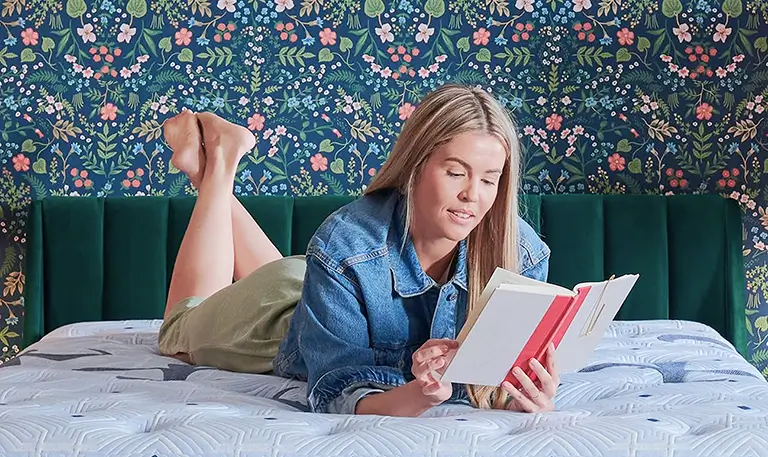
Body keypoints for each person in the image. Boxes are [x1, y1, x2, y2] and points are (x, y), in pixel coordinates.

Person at [158, 83, 558, 417]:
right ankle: (218, 166)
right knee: (177, 326)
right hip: (274, 317)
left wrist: (528, 391)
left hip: (323, 281)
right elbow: (337, 388)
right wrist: (420, 395)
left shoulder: (519, 251)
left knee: (320, 268)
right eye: (455, 172)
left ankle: (208, 163)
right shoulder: (346, 246)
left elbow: (499, 375)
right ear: (415, 166)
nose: (472, 195)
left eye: (490, 180)